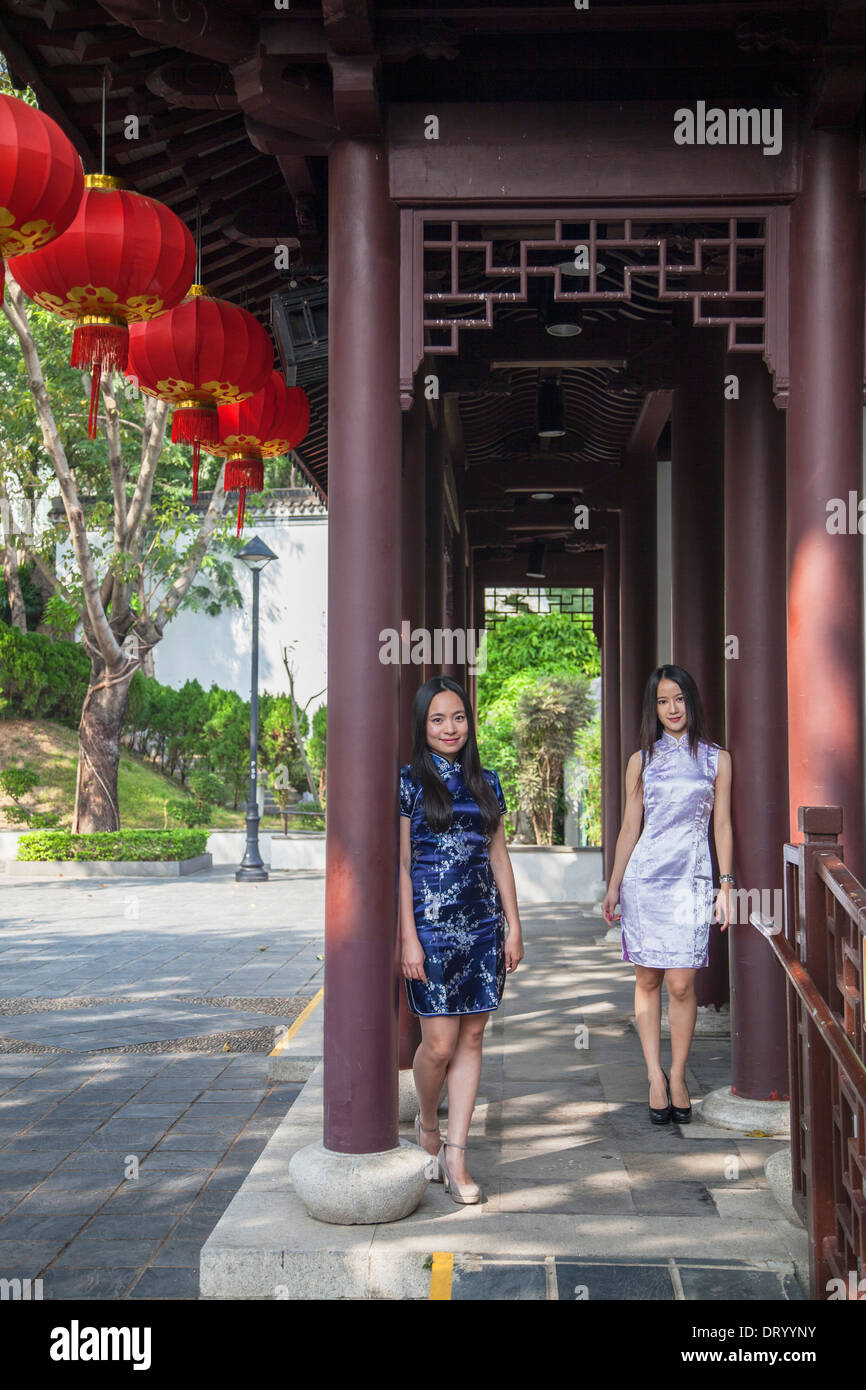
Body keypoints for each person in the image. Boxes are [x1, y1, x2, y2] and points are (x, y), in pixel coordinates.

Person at [399, 675, 524, 1203]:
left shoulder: (487, 782)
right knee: (438, 1044)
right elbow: (401, 867)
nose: (450, 728)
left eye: (458, 717)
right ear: (423, 726)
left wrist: (514, 925)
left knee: (472, 1039)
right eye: (438, 719)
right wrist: (408, 938)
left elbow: (498, 856)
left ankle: (456, 1154)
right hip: (428, 927)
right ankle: (427, 1120)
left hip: (481, 927)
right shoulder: (407, 782)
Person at [602, 665, 733, 1124]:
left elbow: (722, 824)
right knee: (648, 981)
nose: (671, 709)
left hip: (693, 881)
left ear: (691, 702)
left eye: (678, 699)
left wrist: (727, 885)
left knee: (682, 983)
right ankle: (655, 1076)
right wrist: (615, 884)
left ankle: (679, 1074)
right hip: (646, 880)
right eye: (662, 701)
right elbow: (629, 829)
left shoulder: (718, 759)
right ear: (653, 708)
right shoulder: (642, 759)